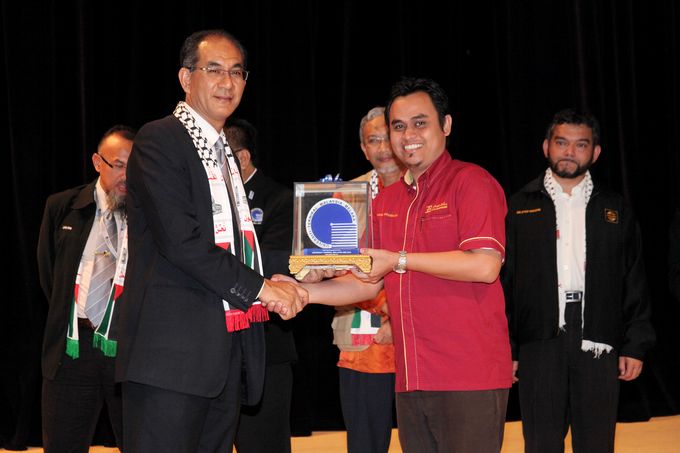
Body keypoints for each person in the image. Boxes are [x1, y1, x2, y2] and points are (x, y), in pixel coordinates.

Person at [291, 78, 512, 452]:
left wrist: (399, 260)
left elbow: (485, 265)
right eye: (398, 126)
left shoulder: (472, 182)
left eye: (420, 123)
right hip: (411, 378)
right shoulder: (387, 201)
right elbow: (365, 281)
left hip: (468, 375)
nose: (408, 135)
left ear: (446, 125)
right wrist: (302, 291)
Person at [114, 29, 307, 452]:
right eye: (214, 69)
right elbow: (182, 242)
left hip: (222, 359)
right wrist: (262, 289)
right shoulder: (160, 139)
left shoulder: (223, 153)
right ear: (186, 78)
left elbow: (239, 248)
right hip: (170, 361)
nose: (227, 82)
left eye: (237, 72)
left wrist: (305, 267)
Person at [503, 108, 656, 453]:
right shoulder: (518, 206)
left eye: (581, 145)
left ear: (595, 152)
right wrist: (508, 348)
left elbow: (634, 278)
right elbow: (505, 283)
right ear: (546, 147)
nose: (570, 152)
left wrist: (634, 344)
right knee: (541, 442)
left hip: (597, 336)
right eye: (562, 143)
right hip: (539, 339)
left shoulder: (615, 208)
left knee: (596, 442)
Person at [37, 124, 136, 452]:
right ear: (97, 162)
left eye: (134, 166)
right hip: (73, 347)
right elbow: (50, 275)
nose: (126, 175)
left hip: (127, 349)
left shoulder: (147, 214)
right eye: (118, 165)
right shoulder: (63, 206)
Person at [330, 106, 400, 453]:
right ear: (363, 148)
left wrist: (398, 319)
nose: (383, 148)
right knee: (365, 442)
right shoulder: (346, 196)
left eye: (388, 138)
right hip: (363, 336)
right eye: (374, 140)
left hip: (423, 336)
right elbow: (337, 266)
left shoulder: (427, 190)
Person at [225, 118, 297, 453]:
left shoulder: (279, 199)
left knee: (264, 444)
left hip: (266, 347)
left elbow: (276, 263)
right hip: (212, 349)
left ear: (241, 158)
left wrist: (217, 264)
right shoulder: (205, 199)